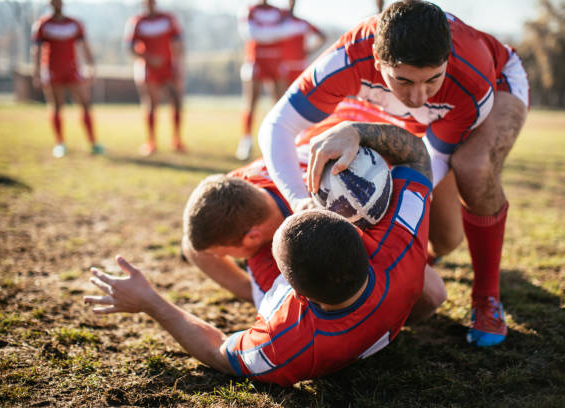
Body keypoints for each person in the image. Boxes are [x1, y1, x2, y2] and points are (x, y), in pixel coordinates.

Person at [84, 121, 446, 386]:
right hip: (389, 285)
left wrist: (150, 301)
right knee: (433, 291)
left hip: (318, 331)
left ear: (293, 292)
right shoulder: (397, 245)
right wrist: (358, 132)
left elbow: (217, 352)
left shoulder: (287, 342)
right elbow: (415, 154)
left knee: (433, 290)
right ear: (358, 235)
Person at [257, 0, 530, 346]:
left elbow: (427, 163)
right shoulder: (347, 57)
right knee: (444, 237)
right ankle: (422, 255)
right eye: (404, 81)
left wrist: (381, 219)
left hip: (499, 78)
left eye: (432, 79)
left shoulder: (471, 79)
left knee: (474, 168)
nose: (418, 96)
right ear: (375, 58)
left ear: (447, 59)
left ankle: (486, 296)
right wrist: (299, 201)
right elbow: (277, 125)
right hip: (419, 107)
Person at [235, 0, 311, 161]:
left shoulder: (279, 12)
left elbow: (293, 29)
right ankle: (246, 141)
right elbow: (252, 33)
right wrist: (277, 31)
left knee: (280, 105)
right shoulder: (248, 10)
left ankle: (279, 143)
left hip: (276, 62)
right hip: (256, 60)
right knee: (250, 102)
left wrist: (269, 32)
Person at [31, 0, 103, 158]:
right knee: (56, 106)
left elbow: (85, 46)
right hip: (52, 70)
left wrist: (91, 66)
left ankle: (93, 142)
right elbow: (36, 50)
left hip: (73, 70)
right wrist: (36, 72)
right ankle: (60, 143)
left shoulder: (75, 24)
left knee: (85, 103)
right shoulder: (42, 25)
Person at [124, 0, 185, 156]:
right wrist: (149, 58)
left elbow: (178, 42)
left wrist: (177, 63)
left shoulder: (168, 19)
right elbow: (130, 47)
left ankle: (176, 140)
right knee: (151, 104)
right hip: (148, 69)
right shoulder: (137, 22)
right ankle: (151, 142)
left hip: (169, 67)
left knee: (176, 102)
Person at [279, 0, 326, 86]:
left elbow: (323, 37)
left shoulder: (303, 23)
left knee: (299, 92)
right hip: (283, 65)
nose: (291, 3)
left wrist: (310, 51)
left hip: (299, 64)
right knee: (280, 94)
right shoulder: (279, 22)